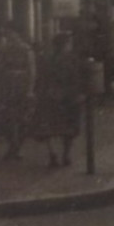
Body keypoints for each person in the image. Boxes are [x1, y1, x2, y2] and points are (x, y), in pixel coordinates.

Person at [36, 33, 83, 168]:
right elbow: (76, 78)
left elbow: (42, 78)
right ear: (66, 44)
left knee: (49, 127)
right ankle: (66, 155)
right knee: (69, 127)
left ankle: (53, 154)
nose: (71, 45)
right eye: (69, 42)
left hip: (50, 95)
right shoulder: (71, 59)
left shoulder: (47, 59)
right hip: (68, 96)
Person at [0, 27, 36, 161]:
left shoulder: (26, 50)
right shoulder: (3, 50)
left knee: (22, 118)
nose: (10, 38)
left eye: (12, 34)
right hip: (7, 87)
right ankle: (12, 145)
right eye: (8, 35)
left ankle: (16, 147)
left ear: (18, 35)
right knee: (6, 118)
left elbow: (31, 70)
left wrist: (29, 89)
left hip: (21, 87)